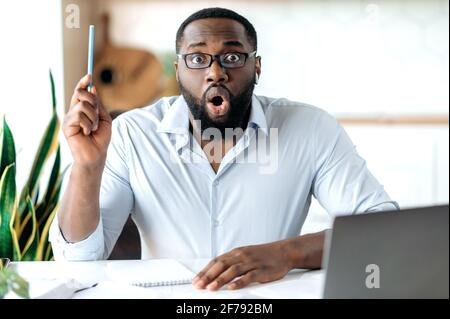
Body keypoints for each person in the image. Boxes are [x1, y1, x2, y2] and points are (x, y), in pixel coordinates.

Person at [50, 7, 398, 291]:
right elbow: (77, 260)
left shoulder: (311, 128)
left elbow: (383, 231)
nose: (216, 72)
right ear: (179, 69)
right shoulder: (132, 134)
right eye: (198, 59)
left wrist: (288, 253)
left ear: (256, 67)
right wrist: (87, 167)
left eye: (232, 56)